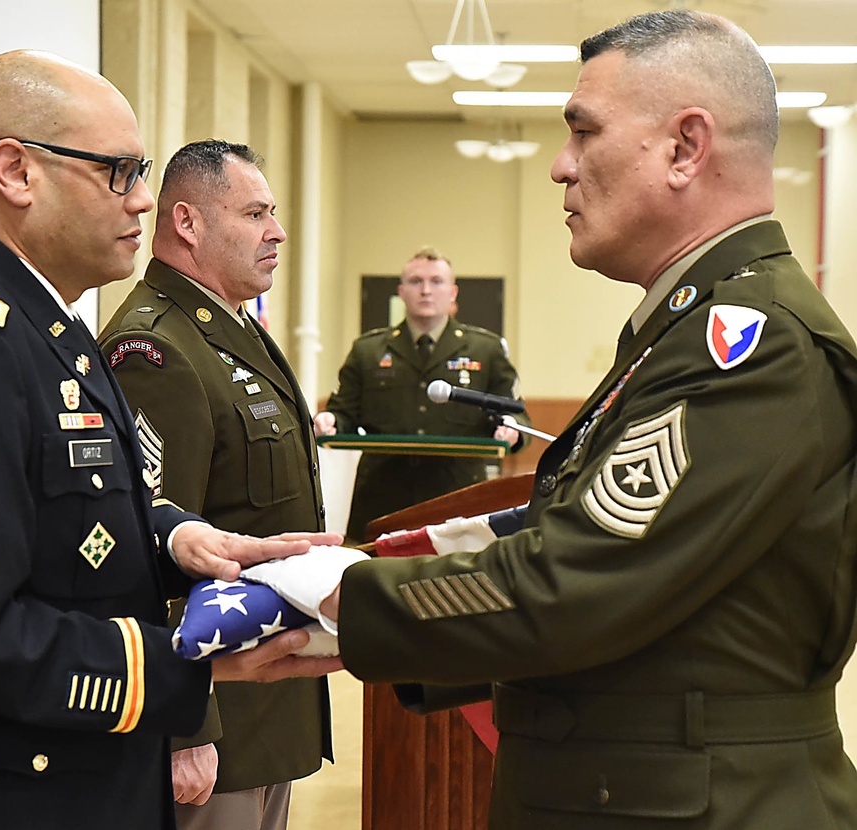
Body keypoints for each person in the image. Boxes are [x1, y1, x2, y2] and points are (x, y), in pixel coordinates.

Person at [317, 10, 857, 829]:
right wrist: (350, 596)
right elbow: (572, 546)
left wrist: (339, 600)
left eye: (582, 131)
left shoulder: (749, 347)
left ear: (685, 147)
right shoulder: (683, 330)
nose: (561, 167)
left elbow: (574, 584)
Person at [0, 51, 341, 830]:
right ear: (16, 171)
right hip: (23, 796)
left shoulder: (53, 331)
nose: (146, 201)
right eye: (119, 172)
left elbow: (73, 510)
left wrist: (177, 536)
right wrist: (186, 667)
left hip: (96, 777)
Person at [100, 140, 332, 830]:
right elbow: (153, 543)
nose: (277, 231)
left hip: (263, 713)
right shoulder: (157, 349)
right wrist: (184, 725)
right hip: (214, 723)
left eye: (273, 212)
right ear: (188, 224)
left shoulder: (232, 329)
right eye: (255, 213)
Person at [314, 247, 531, 541]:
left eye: (437, 282)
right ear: (402, 292)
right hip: (382, 494)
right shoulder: (368, 350)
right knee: (373, 576)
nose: (426, 290)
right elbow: (343, 412)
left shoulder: (486, 349)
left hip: (460, 493)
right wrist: (330, 421)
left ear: (453, 292)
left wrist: (512, 429)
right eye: (416, 282)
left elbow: (515, 412)